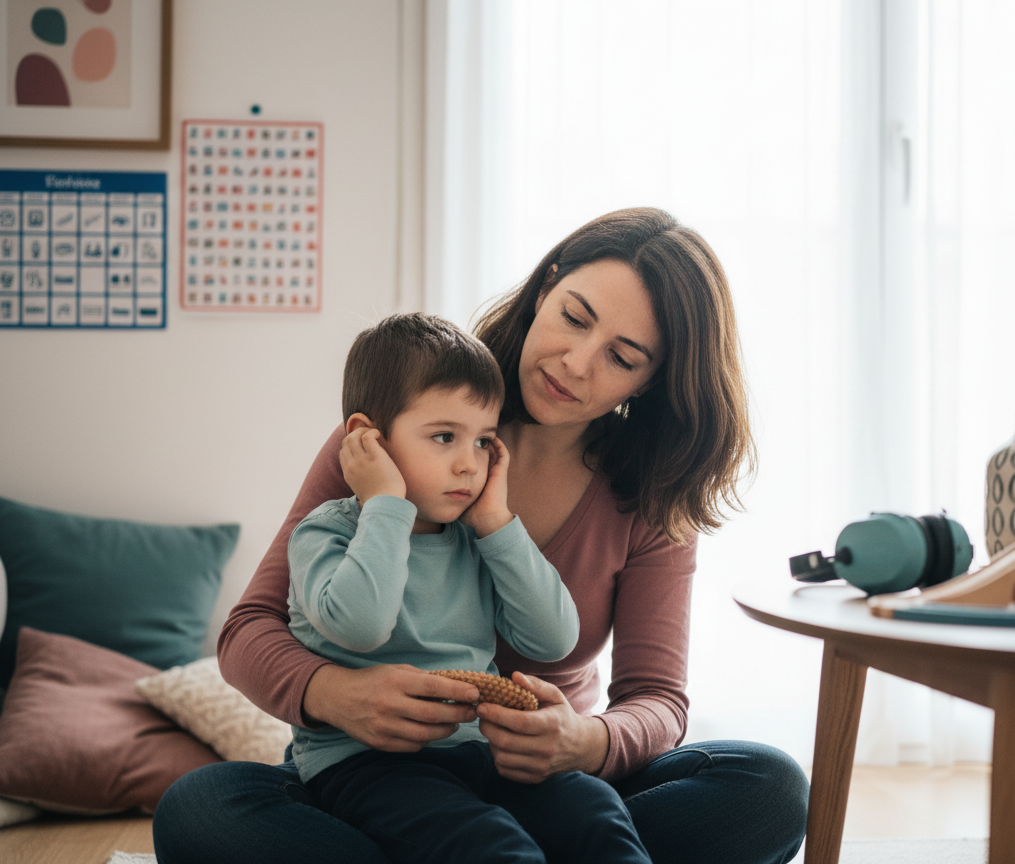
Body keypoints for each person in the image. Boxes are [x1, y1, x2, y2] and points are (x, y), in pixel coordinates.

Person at [154, 207, 810, 864]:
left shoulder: (653, 490)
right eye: (575, 317)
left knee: (766, 786)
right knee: (202, 809)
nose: (577, 363)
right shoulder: (396, 440)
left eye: (622, 356)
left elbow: (657, 699)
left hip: (547, 781)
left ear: (654, 378)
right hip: (377, 776)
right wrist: (338, 695)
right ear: (545, 287)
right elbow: (248, 631)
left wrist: (585, 742)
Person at [285, 312, 649, 863]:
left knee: (595, 813)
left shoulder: (473, 540)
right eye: (443, 437)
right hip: (370, 764)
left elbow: (554, 639)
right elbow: (362, 624)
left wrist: (497, 522)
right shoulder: (327, 532)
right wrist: (386, 505)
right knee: (491, 846)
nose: (466, 463)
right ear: (368, 441)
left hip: (479, 752)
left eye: (483, 442)